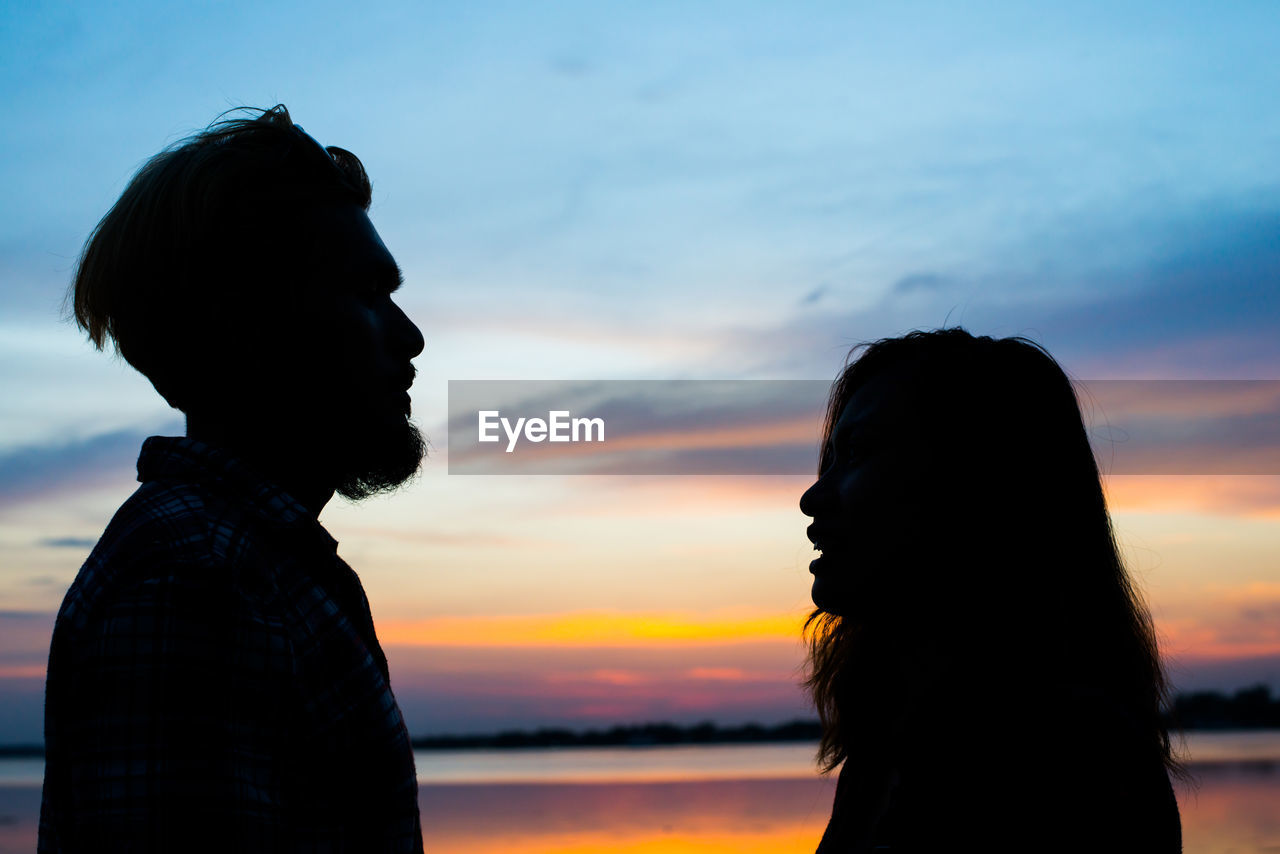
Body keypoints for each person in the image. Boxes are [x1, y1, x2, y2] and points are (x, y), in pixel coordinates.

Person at [40, 105, 426, 852]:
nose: (409, 336)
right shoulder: (197, 583)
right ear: (249, 324)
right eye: (368, 293)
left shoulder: (254, 571)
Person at [799, 328, 1183, 852]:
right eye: (832, 460)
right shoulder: (885, 756)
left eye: (858, 452)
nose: (813, 497)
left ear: (975, 481)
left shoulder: (1068, 761)